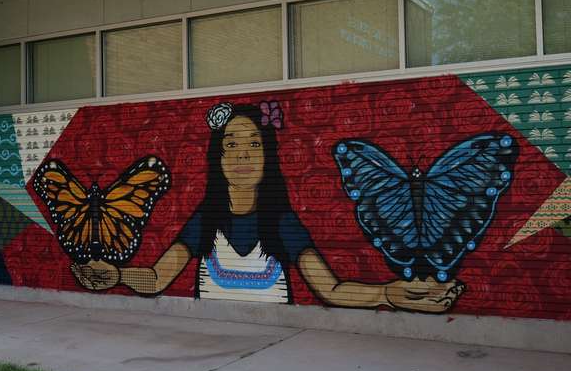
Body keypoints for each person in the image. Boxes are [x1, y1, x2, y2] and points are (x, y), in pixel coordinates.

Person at [75, 101, 463, 313]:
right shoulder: (205, 220)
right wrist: (117, 275)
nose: (242, 155)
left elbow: (330, 289)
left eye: (254, 144)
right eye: (231, 145)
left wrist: (387, 294)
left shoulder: (282, 222)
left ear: (268, 156)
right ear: (218, 158)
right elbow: (158, 279)